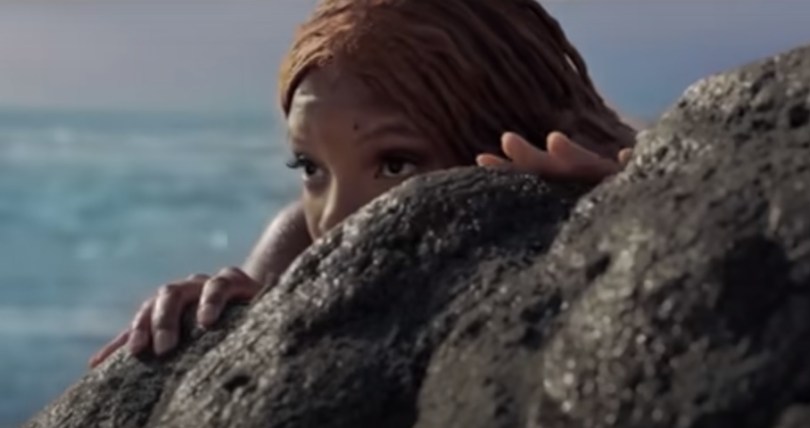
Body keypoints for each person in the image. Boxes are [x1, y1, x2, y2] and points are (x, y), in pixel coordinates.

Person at [88, 0, 635, 368]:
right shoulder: (300, 240)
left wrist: (625, 209)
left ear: (506, 134)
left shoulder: (625, 182)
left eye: (395, 164)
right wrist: (221, 309)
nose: (333, 220)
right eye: (310, 168)